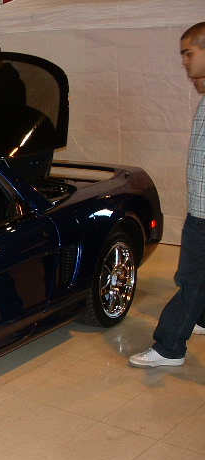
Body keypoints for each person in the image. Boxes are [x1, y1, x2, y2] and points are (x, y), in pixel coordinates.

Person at [129, 22, 205, 368]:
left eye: (189, 54)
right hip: (200, 211)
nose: (184, 62)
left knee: (190, 280)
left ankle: (170, 347)